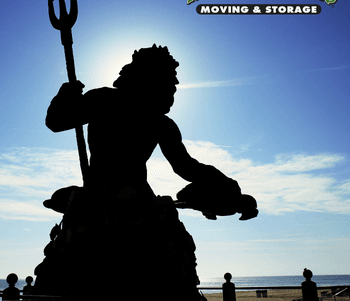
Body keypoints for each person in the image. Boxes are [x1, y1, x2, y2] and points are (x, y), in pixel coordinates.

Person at [35, 44, 257, 301]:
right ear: (151, 80)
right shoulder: (130, 111)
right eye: (169, 84)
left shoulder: (113, 104)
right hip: (130, 199)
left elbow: (56, 121)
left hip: (107, 196)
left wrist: (64, 96)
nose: (172, 90)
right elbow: (187, 167)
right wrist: (223, 181)